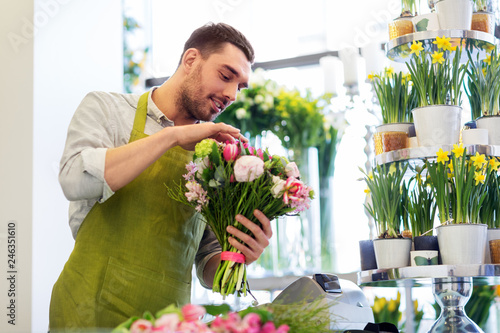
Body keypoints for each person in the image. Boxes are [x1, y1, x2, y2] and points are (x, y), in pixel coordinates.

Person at [49, 22, 273, 331]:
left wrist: (238, 256)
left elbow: (207, 261)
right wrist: (171, 137)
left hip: (170, 323)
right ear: (191, 60)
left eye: (240, 86)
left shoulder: (215, 157)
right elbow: (73, 179)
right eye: (225, 76)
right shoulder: (108, 109)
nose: (232, 94)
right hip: (88, 316)